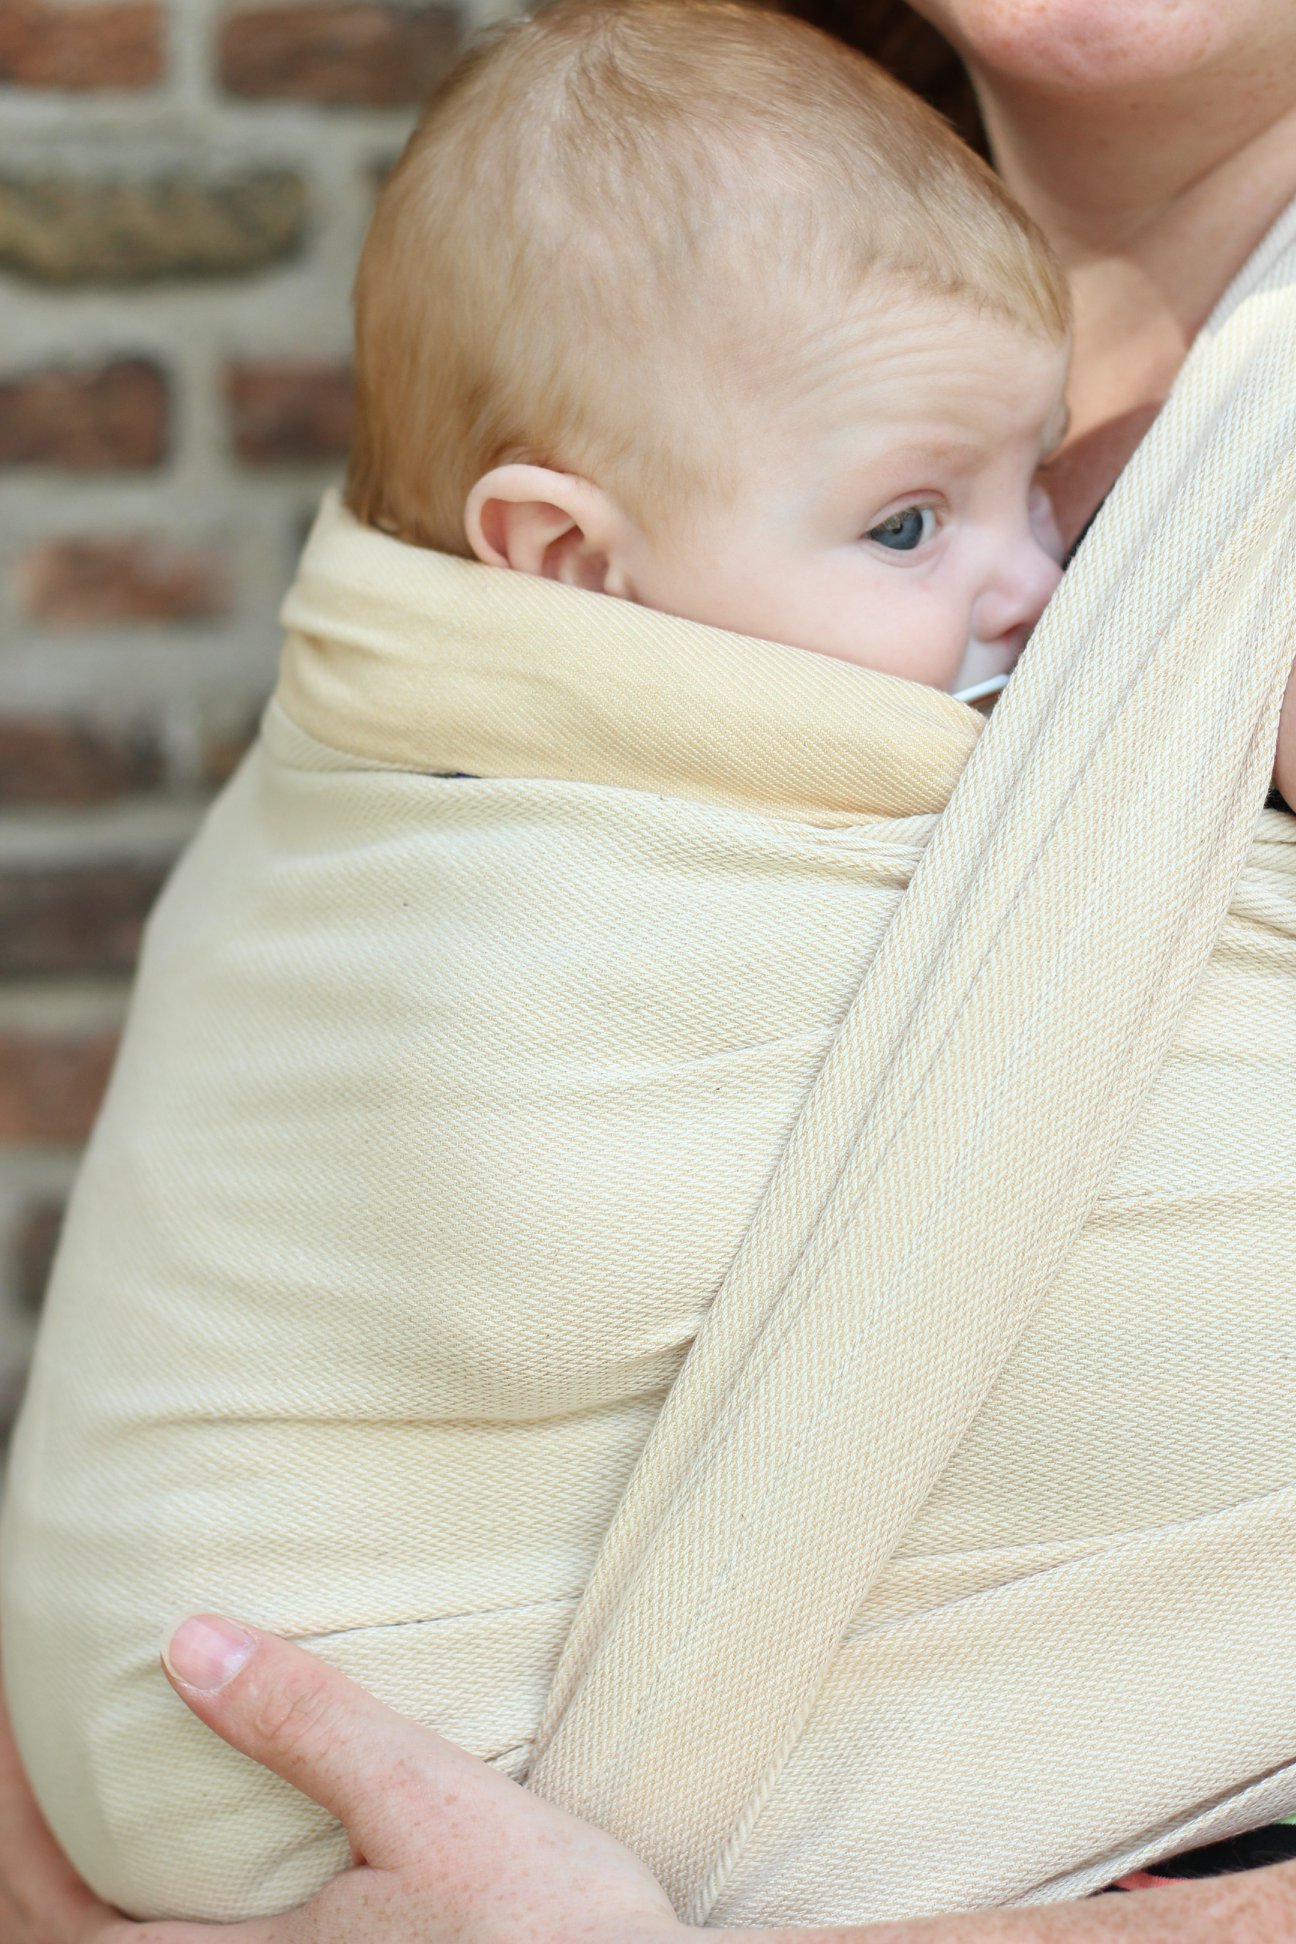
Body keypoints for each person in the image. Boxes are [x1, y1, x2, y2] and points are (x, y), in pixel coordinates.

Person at [2, 0, 1295, 1939]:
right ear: (575, 563)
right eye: (918, 521)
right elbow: (266, 1244)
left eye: (1021, 502)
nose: (1027, 584)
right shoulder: (691, 275)